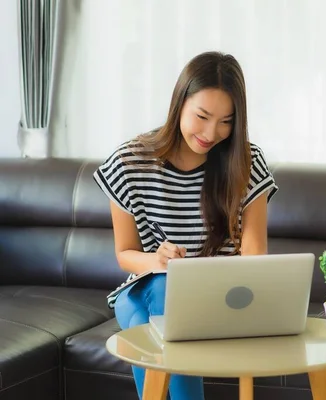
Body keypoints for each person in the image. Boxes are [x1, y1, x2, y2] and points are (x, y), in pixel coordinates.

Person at [92, 51, 278, 400]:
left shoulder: (247, 164)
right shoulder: (130, 161)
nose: (212, 132)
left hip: (219, 300)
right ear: (179, 103)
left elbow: (255, 257)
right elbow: (125, 254)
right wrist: (158, 262)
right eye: (202, 116)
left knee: (145, 331)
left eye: (226, 121)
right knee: (165, 291)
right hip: (145, 291)